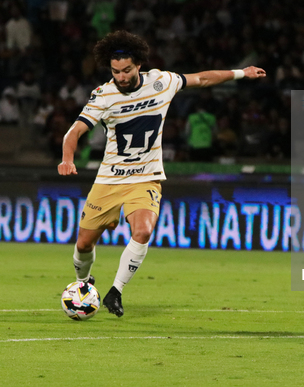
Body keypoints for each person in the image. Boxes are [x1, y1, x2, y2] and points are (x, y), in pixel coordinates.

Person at [57, 30, 265, 317]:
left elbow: (202, 78)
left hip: (146, 176)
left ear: (139, 64)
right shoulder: (104, 96)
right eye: (116, 71)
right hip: (109, 179)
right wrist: (67, 159)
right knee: (83, 243)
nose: (121, 76)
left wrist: (241, 73)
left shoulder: (162, 81)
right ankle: (83, 284)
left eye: (126, 70)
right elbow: (74, 131)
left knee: (143, 230)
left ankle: (115, 292)